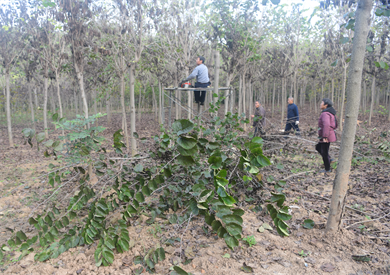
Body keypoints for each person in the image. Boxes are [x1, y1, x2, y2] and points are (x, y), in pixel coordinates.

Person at [315, 98, 338, 173]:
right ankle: (330, 159)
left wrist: (325, 136)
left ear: (326, 105)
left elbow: (326, 125)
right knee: (318, 147)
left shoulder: (325, 114)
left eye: (322, 103)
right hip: (328, 134)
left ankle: (327, 169)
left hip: (326, 136)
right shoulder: (330, 112)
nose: (320, 104)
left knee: (324, 152)